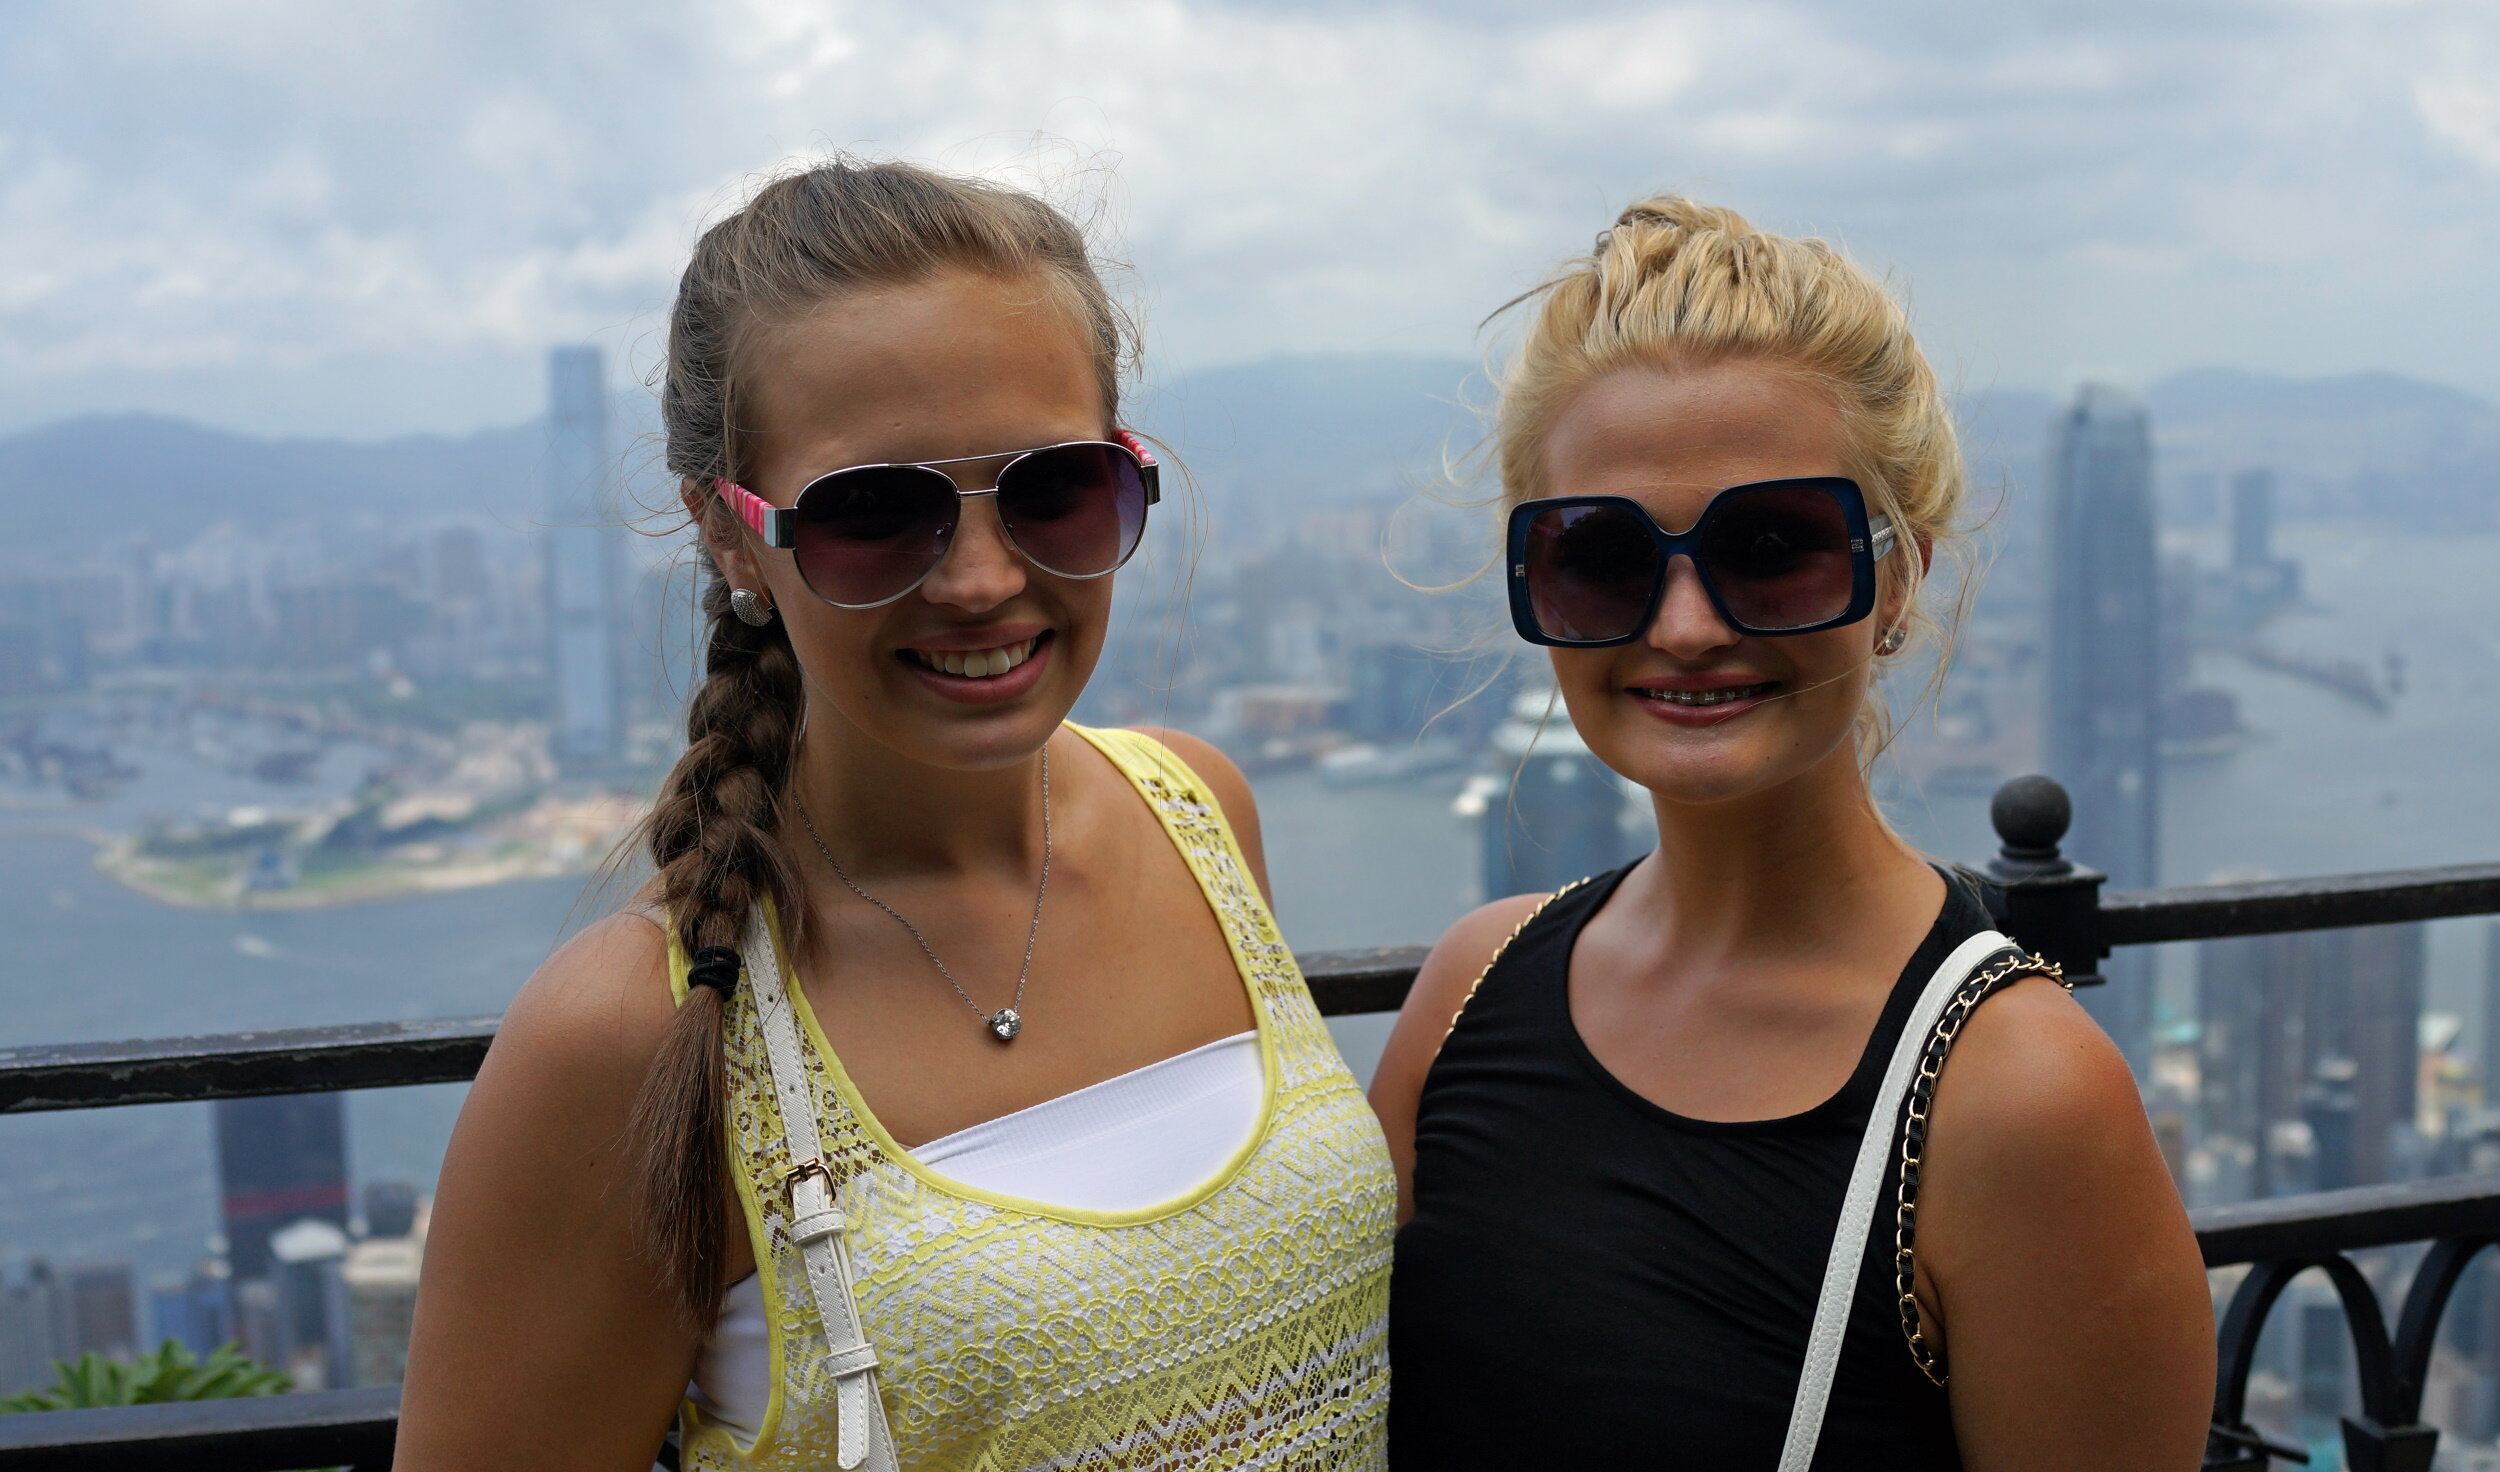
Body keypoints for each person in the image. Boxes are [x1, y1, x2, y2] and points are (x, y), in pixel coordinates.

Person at [397, 160, 1394, 1472]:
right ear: (731, 537)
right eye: (876, 514)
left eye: (1055, 489)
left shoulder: (1201, 814)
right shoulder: (642, 1031)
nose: (984, 580)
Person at [1370, 198, 2213, 1469]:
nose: (1689, 623)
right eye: (1600, 554)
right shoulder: (1469, 988)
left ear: (1899, 575)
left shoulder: (2020, 1100)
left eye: (1773, 546)